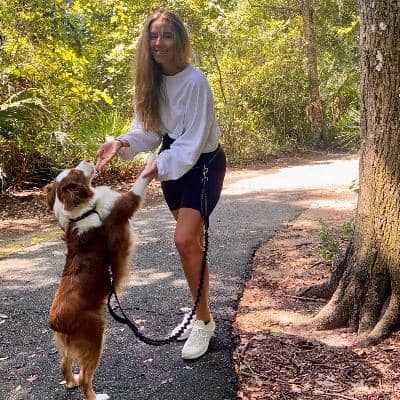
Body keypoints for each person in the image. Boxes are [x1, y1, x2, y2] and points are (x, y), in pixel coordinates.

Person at [95, 8, 226, 360]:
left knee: (184, 240)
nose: (159, 43)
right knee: (192, 243)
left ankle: (203, 322)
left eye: (167, 36)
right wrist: (121, 142)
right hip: (171, 162)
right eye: (153, 36)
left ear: (179, 40)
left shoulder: (196, 81)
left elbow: (193, 142)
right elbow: (149, 131)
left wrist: (157, 165)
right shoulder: (149, 80)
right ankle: (202, 310)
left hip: (203, 164)